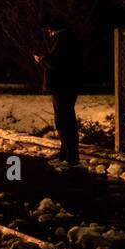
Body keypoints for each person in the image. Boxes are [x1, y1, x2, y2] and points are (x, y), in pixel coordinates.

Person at [34, 15, 82, 167]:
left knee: (64, 121)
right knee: (65, 120)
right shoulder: (68, 40)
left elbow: (56, 64)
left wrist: (41, 59)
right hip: (67, 86)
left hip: (62, 86)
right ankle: (66, 155)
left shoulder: (63, 42)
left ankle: (70, 157)